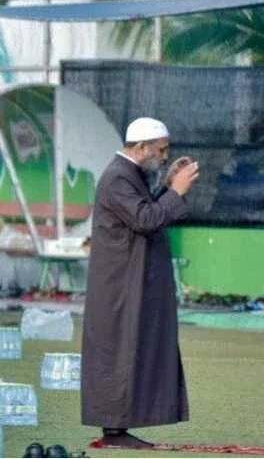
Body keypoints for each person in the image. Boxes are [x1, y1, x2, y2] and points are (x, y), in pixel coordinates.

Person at [81, 117, 199, 449]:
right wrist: (175, 192)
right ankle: (114, 431)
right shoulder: (117, 177)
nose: (164, 156)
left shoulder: (129, 174)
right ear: (142, 147)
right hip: (119, 287)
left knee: (134, 350)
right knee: (118, 353)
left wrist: (167, 186)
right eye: (161, 150)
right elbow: (145, 219)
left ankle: (119, 429)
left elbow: (145, 212)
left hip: (129, 283)